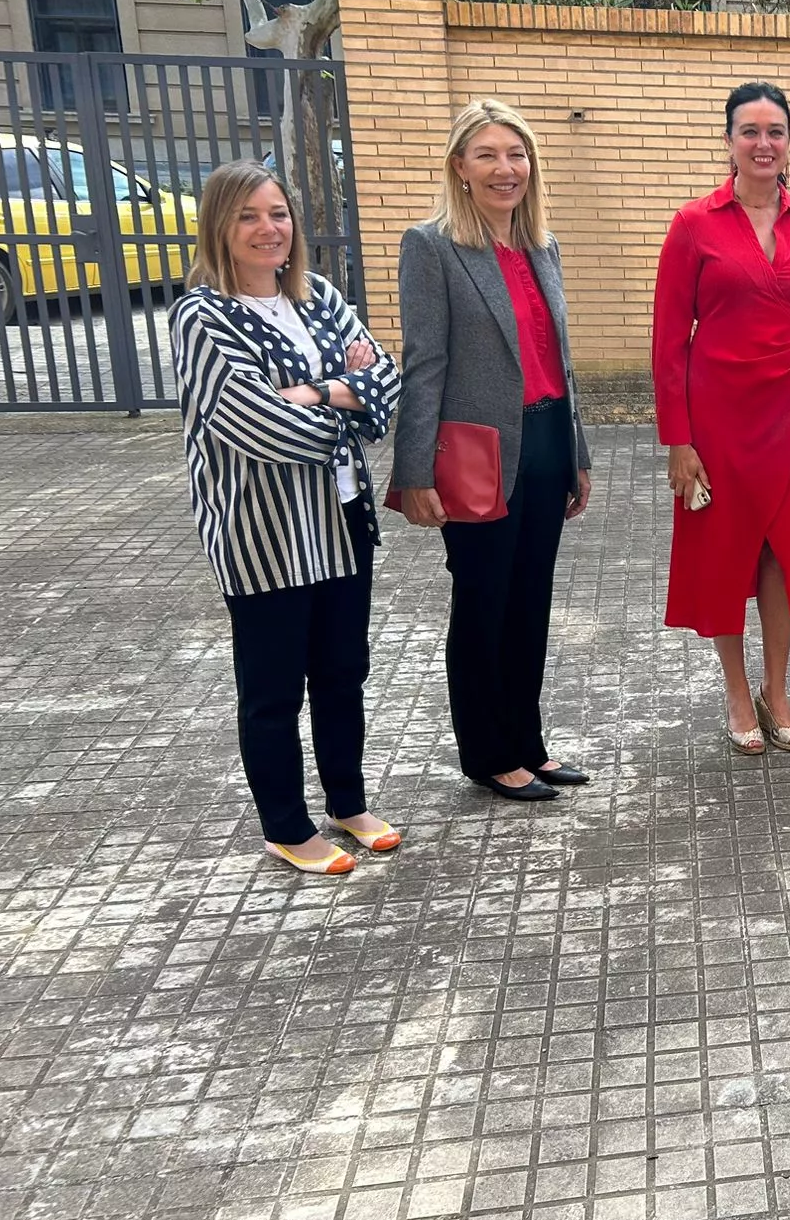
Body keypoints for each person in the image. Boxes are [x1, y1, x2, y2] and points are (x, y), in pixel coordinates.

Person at [170, 160, 402, 874]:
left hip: (340, 519)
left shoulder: (319, 296)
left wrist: (315, 391)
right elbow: (259, 428)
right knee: (272, 690)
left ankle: (346, 803)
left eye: (278, 213)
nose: (268, 229)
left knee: (343, 673)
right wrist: (344, 395)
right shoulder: (202, 315)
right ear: (220, 226)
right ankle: (286, 825)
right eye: (248, 216)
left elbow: (387, 389)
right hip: (263, 534)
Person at [393, 98, 596, 804]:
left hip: (543, 443)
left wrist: (579, 453)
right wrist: (413, 470)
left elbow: (559, 360)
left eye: (516, 154)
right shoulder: (432, 246)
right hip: (477, 454)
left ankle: (528, 744)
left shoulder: (543, 245)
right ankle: (488, 753)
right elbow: (423, 363)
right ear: (460, 167)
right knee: (484, 603)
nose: (506, 168)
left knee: (529, 602)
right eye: (488, 155)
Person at [655, 81, 790, 753]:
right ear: (729, 141)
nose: (764, 143)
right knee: (722, 557)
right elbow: (666, 343)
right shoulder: (694, 225)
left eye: (776, 131)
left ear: (789, 141)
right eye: (750, 131)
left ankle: (778, 687)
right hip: (718, 420)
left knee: (782, 553)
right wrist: (678, 440)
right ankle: (737, 694)